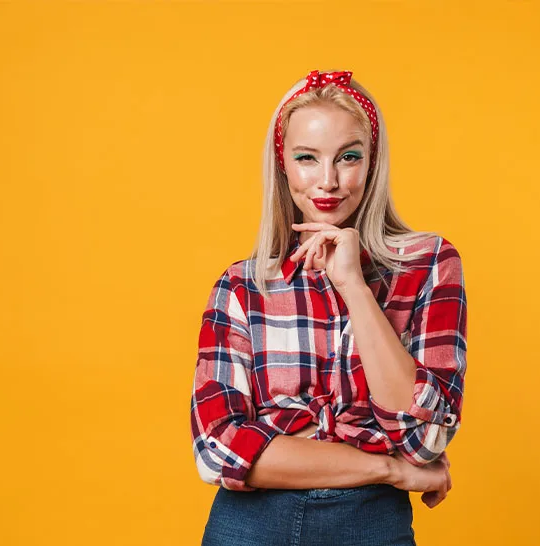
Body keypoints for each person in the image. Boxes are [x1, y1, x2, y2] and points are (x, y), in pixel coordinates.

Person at [189, 69, 468, 546]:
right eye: (306, 158)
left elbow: (423, 440)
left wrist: (354, 286)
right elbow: (218, 450)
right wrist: (387, 469)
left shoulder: (429, 265)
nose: (328, 181)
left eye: (349, 157)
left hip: (370, 527)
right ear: (283, 166)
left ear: (372, 163)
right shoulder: (241, 286)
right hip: (248, 529)